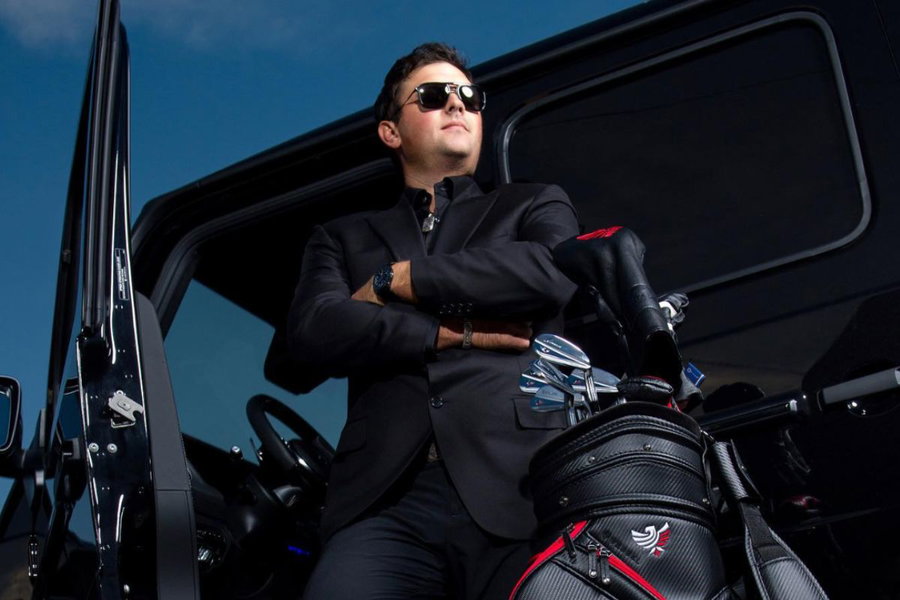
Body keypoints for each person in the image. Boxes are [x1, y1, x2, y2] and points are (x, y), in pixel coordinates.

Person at [288, 42, 579, 599]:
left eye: (470, 96)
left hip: (521, 486)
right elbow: (313, 332)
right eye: (433, 95)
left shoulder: (532, 203)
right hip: (384, 502)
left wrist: (400, 281)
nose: (457, 104)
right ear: (390, 131)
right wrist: (443, 333)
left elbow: (548, 274)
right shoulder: (343, 237)